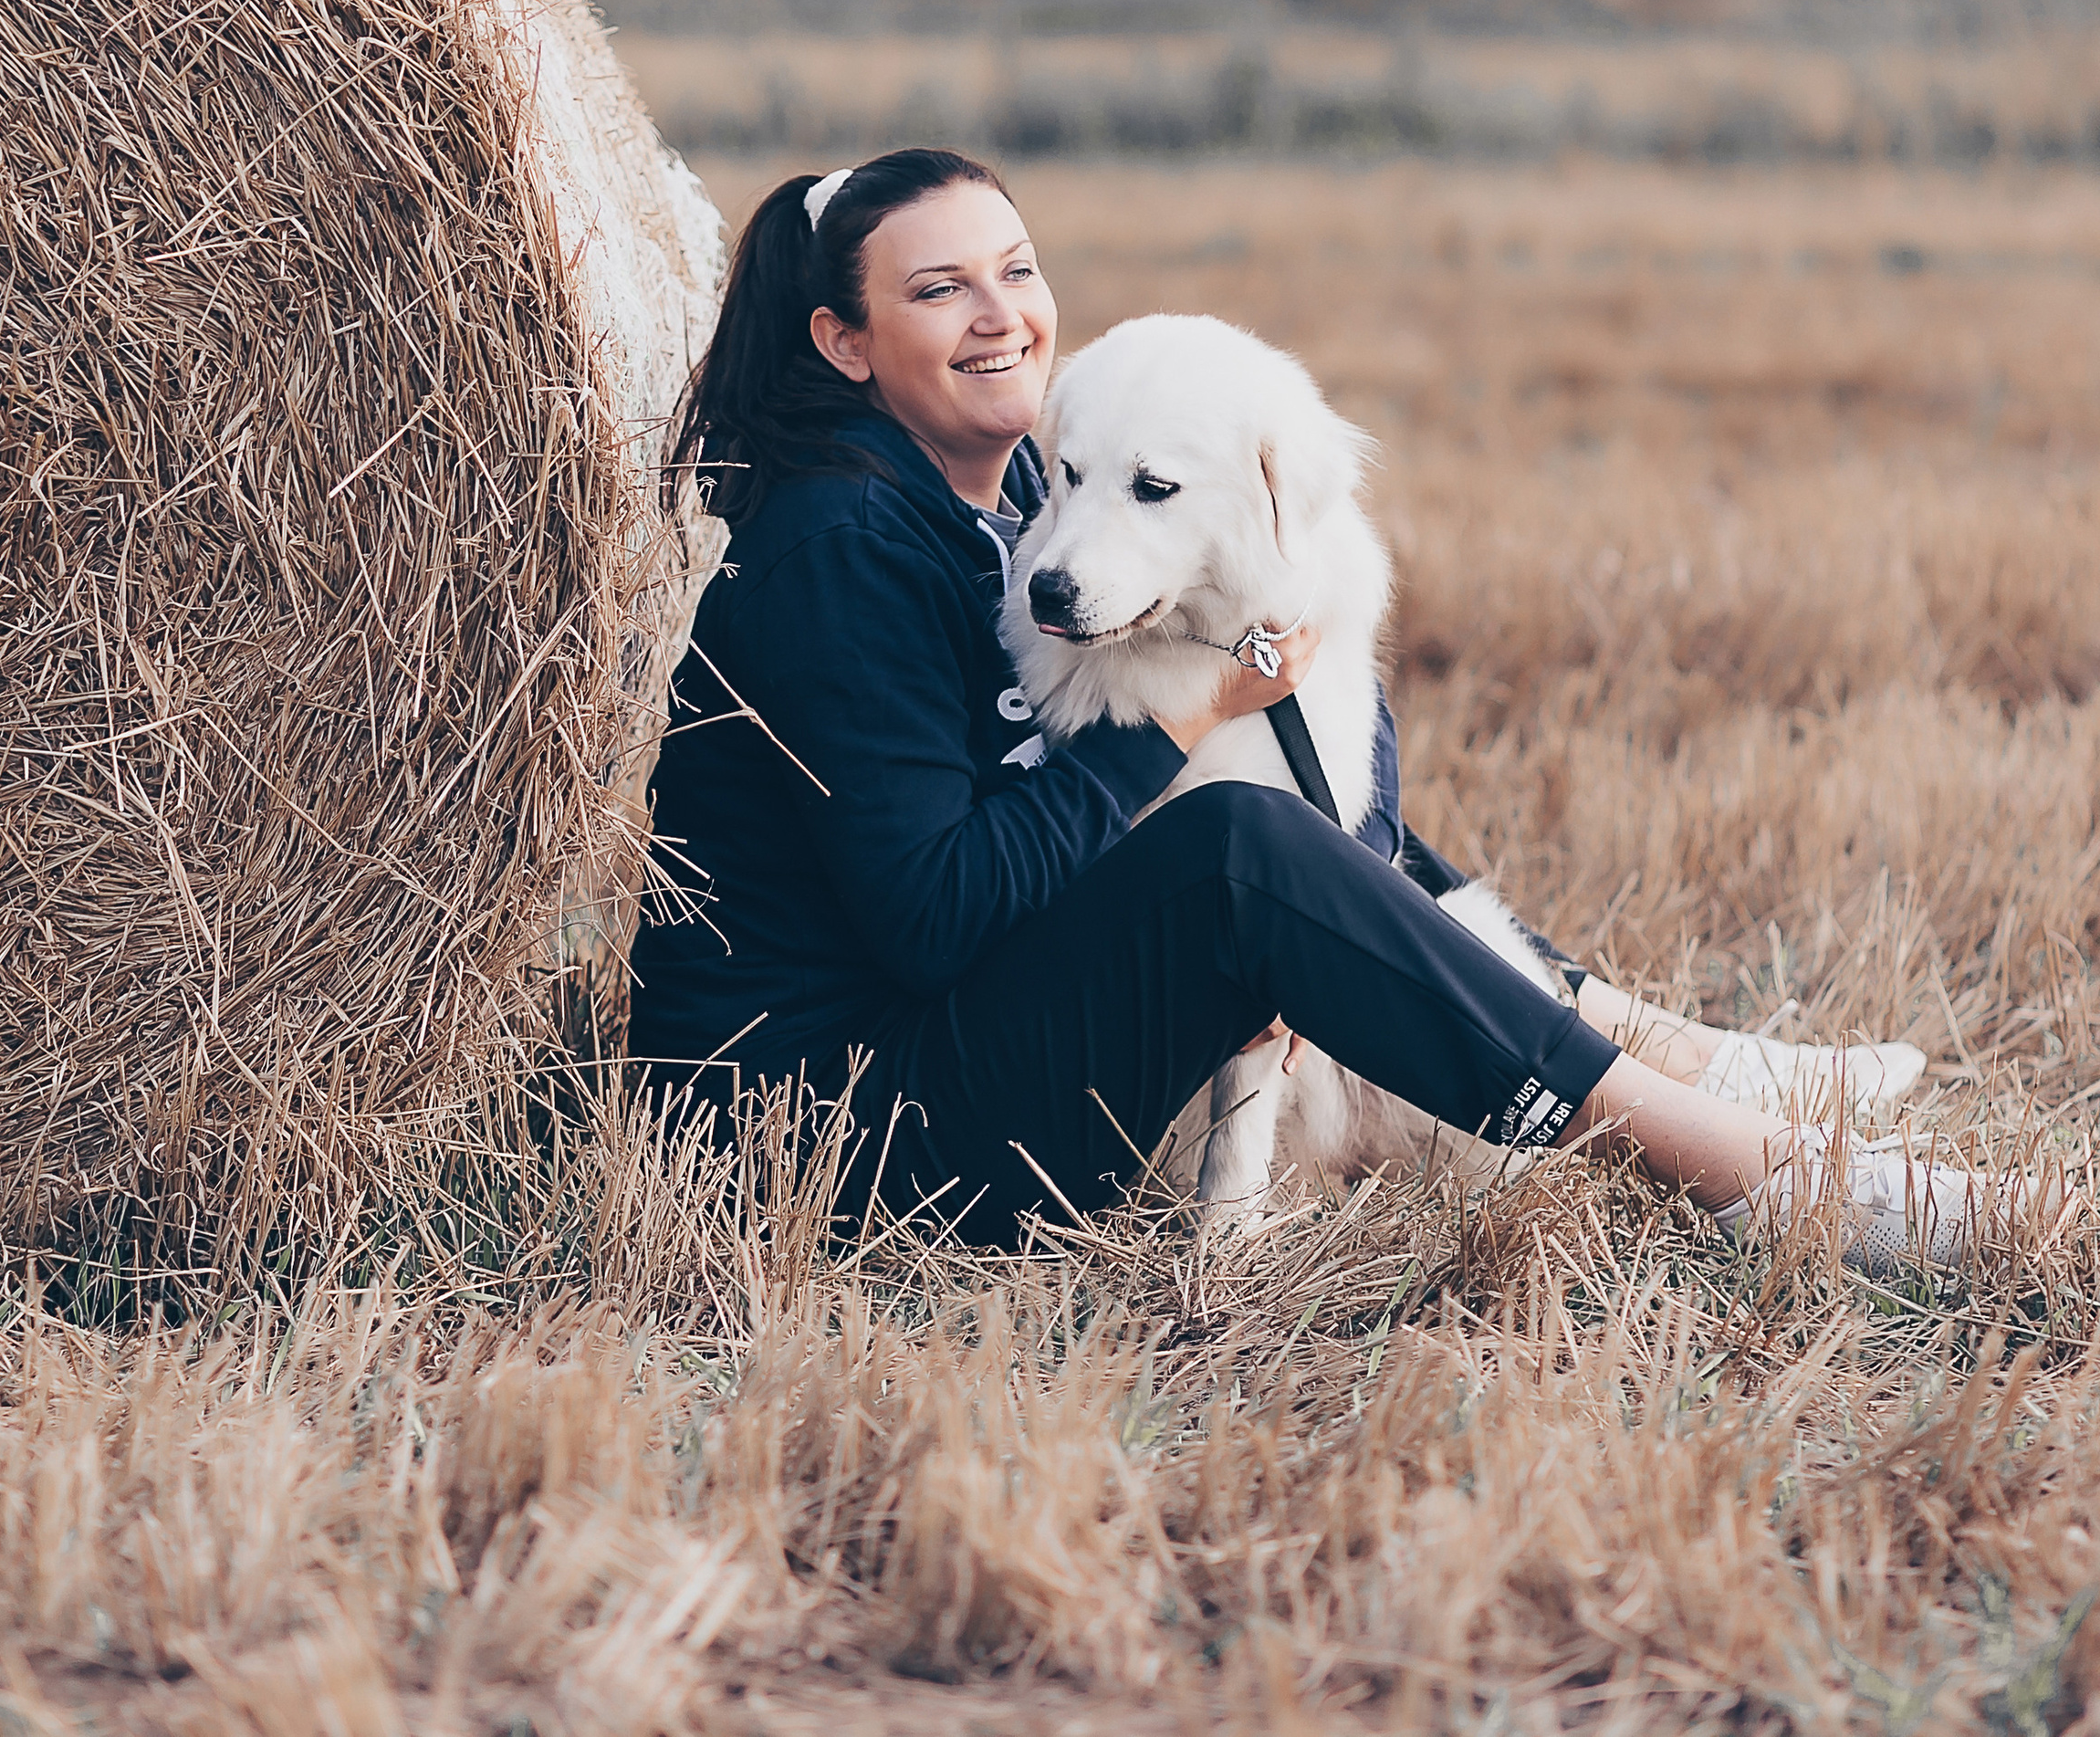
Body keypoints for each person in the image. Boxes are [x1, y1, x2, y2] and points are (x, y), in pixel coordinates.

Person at [630, 148, 2011, 1275]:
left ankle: (1673, 1056)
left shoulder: (986, 518)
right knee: (1240, 847)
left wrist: (1273, 684)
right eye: (941, 290)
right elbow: (932, 913)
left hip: (927, 1064)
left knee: (1296, 816)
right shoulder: (841, 548)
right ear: (844, 340)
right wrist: (1174, 721)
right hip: (831, 1137)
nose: (1003, 314)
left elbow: (1285, 779)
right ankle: (1756, 1177)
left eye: (1019, 269)